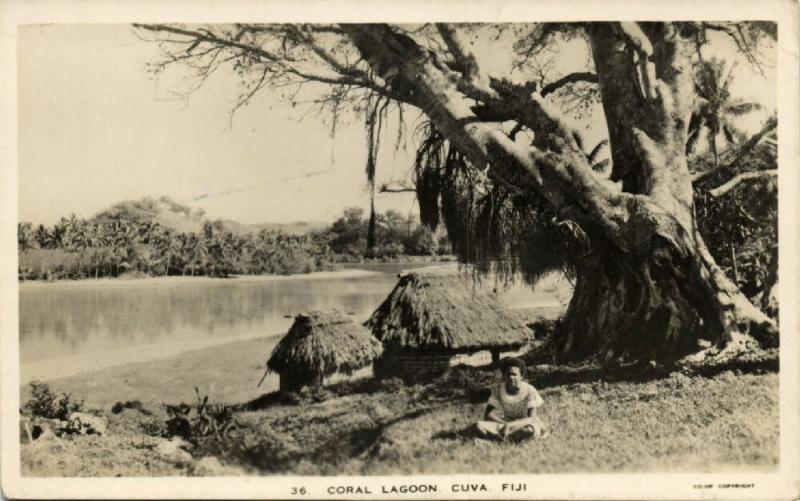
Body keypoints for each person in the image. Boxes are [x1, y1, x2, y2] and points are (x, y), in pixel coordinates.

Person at [475, 357, 548, 442]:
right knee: (478, 426)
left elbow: (531, 418)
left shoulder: (529, 390)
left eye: (514, 374)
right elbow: (488, 415)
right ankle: (506, 440)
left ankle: (497, 441)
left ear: (521, 376)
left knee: (528, 431)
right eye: (508, 374)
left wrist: (510, 425)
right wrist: (505, 424)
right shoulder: (498, 390)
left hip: (524, 424)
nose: (511, 377)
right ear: (504, 375)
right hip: (505, 423)